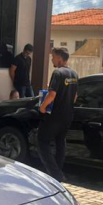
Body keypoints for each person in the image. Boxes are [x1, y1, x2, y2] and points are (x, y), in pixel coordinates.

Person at [38, 47, 79, 182]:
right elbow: (75, 97)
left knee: (42, 142)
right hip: (68, 115)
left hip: (54, 116)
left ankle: (55, 173)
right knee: (60, 142)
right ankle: (57, 172)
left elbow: (52, 95)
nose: (51, 60)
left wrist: (42, 108)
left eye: (53, 57)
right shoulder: (74, 74)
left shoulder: (57, 73)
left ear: (59, 58)